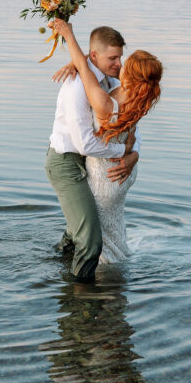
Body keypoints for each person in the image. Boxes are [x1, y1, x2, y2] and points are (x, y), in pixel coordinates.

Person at [45, 21, 163, 279]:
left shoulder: (106, 98)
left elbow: (88, 145)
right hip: (113, 172)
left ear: (130, 75)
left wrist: (70, 38)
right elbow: (131, 136)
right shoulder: (137, 98)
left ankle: (81, 295)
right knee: (102, 230)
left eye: (122, 60)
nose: (118, 64)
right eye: (114, 58)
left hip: (105, 175)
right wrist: (131, 154)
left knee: (92, 242)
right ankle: (66, 258)